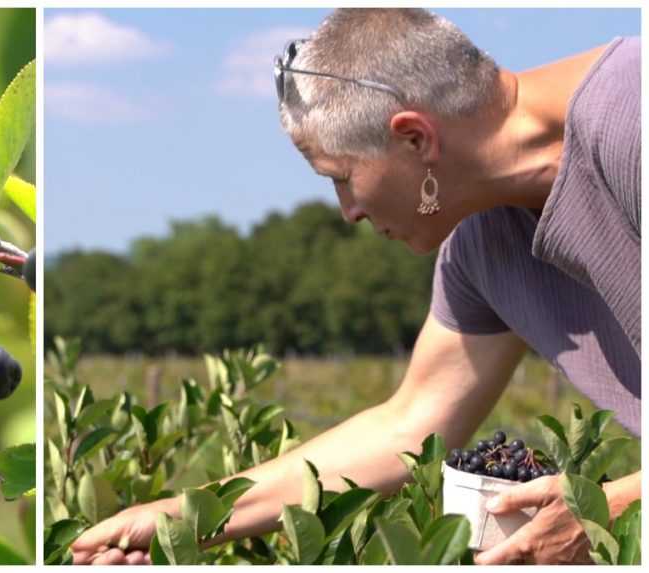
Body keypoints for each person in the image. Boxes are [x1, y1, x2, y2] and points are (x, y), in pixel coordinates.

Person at [70, 8, 640, 565]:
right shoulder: (479, 247)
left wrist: (605, 509)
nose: (348, 212)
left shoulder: (632, 118)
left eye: (340, 178)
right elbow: (411, 423)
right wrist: (180, 519)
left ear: (415, 139)